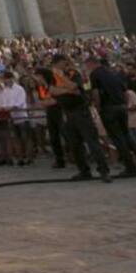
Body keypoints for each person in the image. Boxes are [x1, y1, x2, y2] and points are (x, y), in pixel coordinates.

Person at [86, 56, 136, 176]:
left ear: (91, 64)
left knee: (118, 139)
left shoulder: (95, 74)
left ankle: (130, 167)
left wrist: (98, 107)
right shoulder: (114, 73)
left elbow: (96, 93)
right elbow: (125, 92)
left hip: (108, 108)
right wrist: (124, 105)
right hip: (121, 106)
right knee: (126, 135)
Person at [49, 55, 111, 183]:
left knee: (92, 142)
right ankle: (84, 170)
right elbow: (52, 91)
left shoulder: (73, 73)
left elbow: (74, 87)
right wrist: (66, 90)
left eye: (57, 64)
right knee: (74, 144)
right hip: (67, 112)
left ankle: (103, 171)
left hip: (80, 111)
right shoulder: (53, 78)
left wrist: (62, 79)